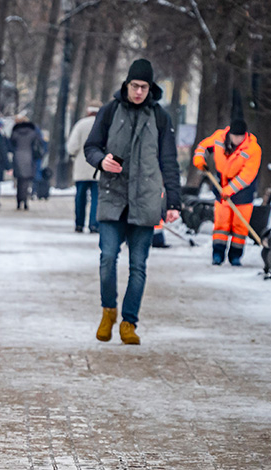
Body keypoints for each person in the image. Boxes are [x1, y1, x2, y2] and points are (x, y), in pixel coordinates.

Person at [84, 58, 181, 345]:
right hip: (113, 197)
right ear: (126, 84)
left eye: (144, 87)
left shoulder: (160, 118)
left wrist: (174, 202)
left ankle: (129, 322)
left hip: (146, 200)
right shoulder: (110, 111)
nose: (139, 92)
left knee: (138, 266)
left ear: (150, 89)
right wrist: (102, 161)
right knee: (108, 259)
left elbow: (169, 162)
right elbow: (91, 147)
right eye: (135, 86)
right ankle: (108, 311)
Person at [192, 118, 262, 265]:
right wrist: (199, 158)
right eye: (234, 136)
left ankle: (235, 255)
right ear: (230, 133)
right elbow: (203, 147)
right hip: (221, 184)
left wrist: (229, 190)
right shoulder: (219, 138)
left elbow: (247, 176)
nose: (237, 139)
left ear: (245, 135)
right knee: (221, 223)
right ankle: (217, 253)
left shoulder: (253, 149)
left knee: (239, 226)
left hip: (243, 191)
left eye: (240, 137)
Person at [66, 105, 100, 233]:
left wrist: (74, 156)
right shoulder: (104, 125)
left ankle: (79, 223)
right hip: (98, 167)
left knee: (80, 197)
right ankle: (94, 224)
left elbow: (72, 146)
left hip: (81, 166)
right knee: (96, 197)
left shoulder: (80, 125)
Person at [10, 114, 43, 209]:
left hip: (17, 156)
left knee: (19, 180)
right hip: (29, 156)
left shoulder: (15, 132)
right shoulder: (33, 132)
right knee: (26, 180)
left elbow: (10, 144)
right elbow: (38, 144)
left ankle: (18, 200)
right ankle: (25, 201)